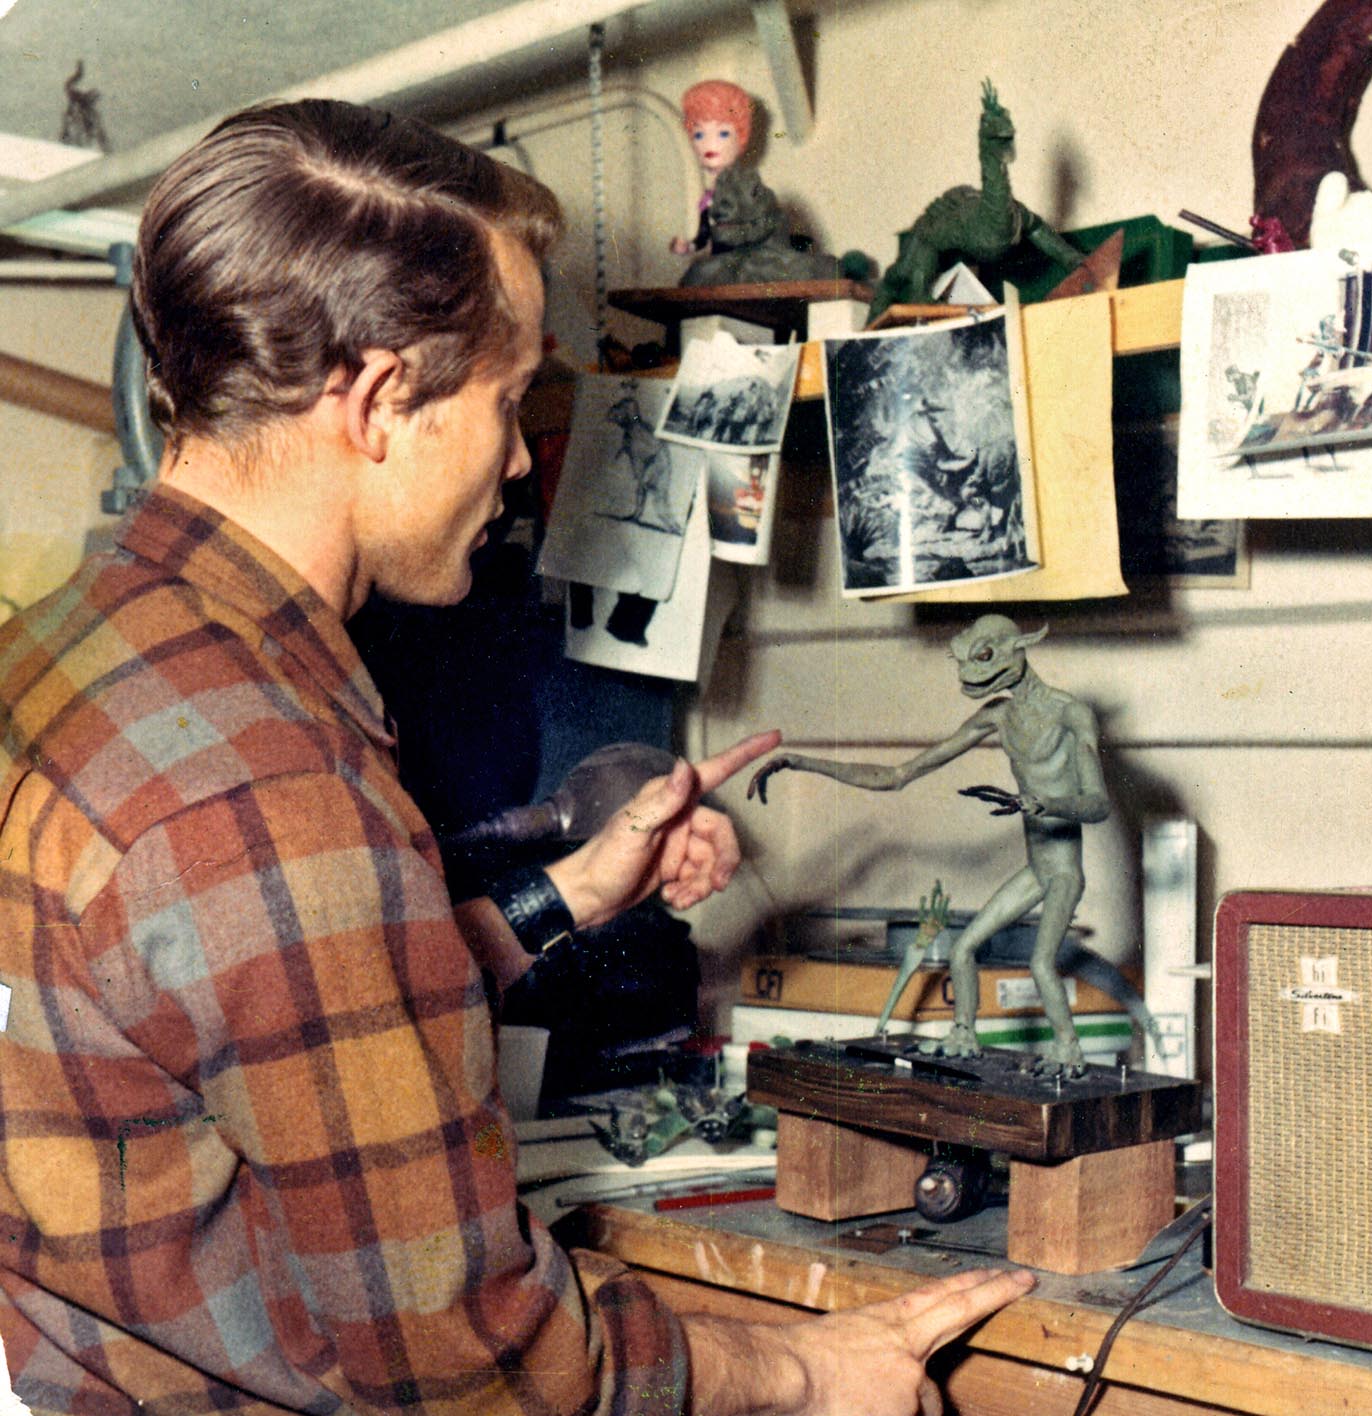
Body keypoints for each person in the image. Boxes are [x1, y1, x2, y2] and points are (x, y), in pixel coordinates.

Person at [0, 100, 1034, 1416]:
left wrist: (567, 898)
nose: (515, 457)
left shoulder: (60, 653)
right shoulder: (265, 782)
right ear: (379, 402)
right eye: (507, 398)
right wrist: (808, 1370)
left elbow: (238, 1021)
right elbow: (483, 1360)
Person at [669, 79, 753, 257]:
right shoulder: (708, 198)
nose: (709, 143)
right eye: (699, 134)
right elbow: (704, 237)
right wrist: (688, 247)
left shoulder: (747, 187)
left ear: (741, 136)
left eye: (723, 133)